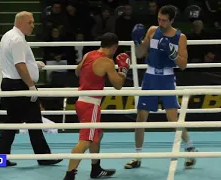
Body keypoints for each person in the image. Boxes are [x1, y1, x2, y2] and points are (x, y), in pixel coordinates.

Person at [124, 5, 197, 169]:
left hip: (167, 77)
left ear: (172, 20)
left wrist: (172, 52)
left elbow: (184, 64)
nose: (161, 22)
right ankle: (138, 156)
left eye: (164, 20)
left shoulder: (180, 37)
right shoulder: (152, 30)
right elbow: (140, 54)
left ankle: (190, 148)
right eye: (159, 19)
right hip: (150, 77)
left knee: (172, 119)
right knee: (141, 118)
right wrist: (137, 42)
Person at [0, 11, 63, 166]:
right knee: (34, 121)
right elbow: (19, 65)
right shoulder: (18, 39)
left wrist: (33, 64)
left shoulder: (8, 35)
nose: (33, 25)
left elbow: (16, 60)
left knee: (12, 121)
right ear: (20, 22)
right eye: (30, 22)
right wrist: (31, 86)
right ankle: (44, 157)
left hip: (9, 83)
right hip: (20, 84)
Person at [63, 32, 131, 180]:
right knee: (85, 141)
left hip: (82, 101)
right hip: (91, 105)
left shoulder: (89, 54)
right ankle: (69, 175)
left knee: (98, 135)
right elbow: (118, 85)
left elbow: (77, 71)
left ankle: (96, 169)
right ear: (114, 47)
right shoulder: (106, 62)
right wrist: (124, 69)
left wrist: (91, 77)